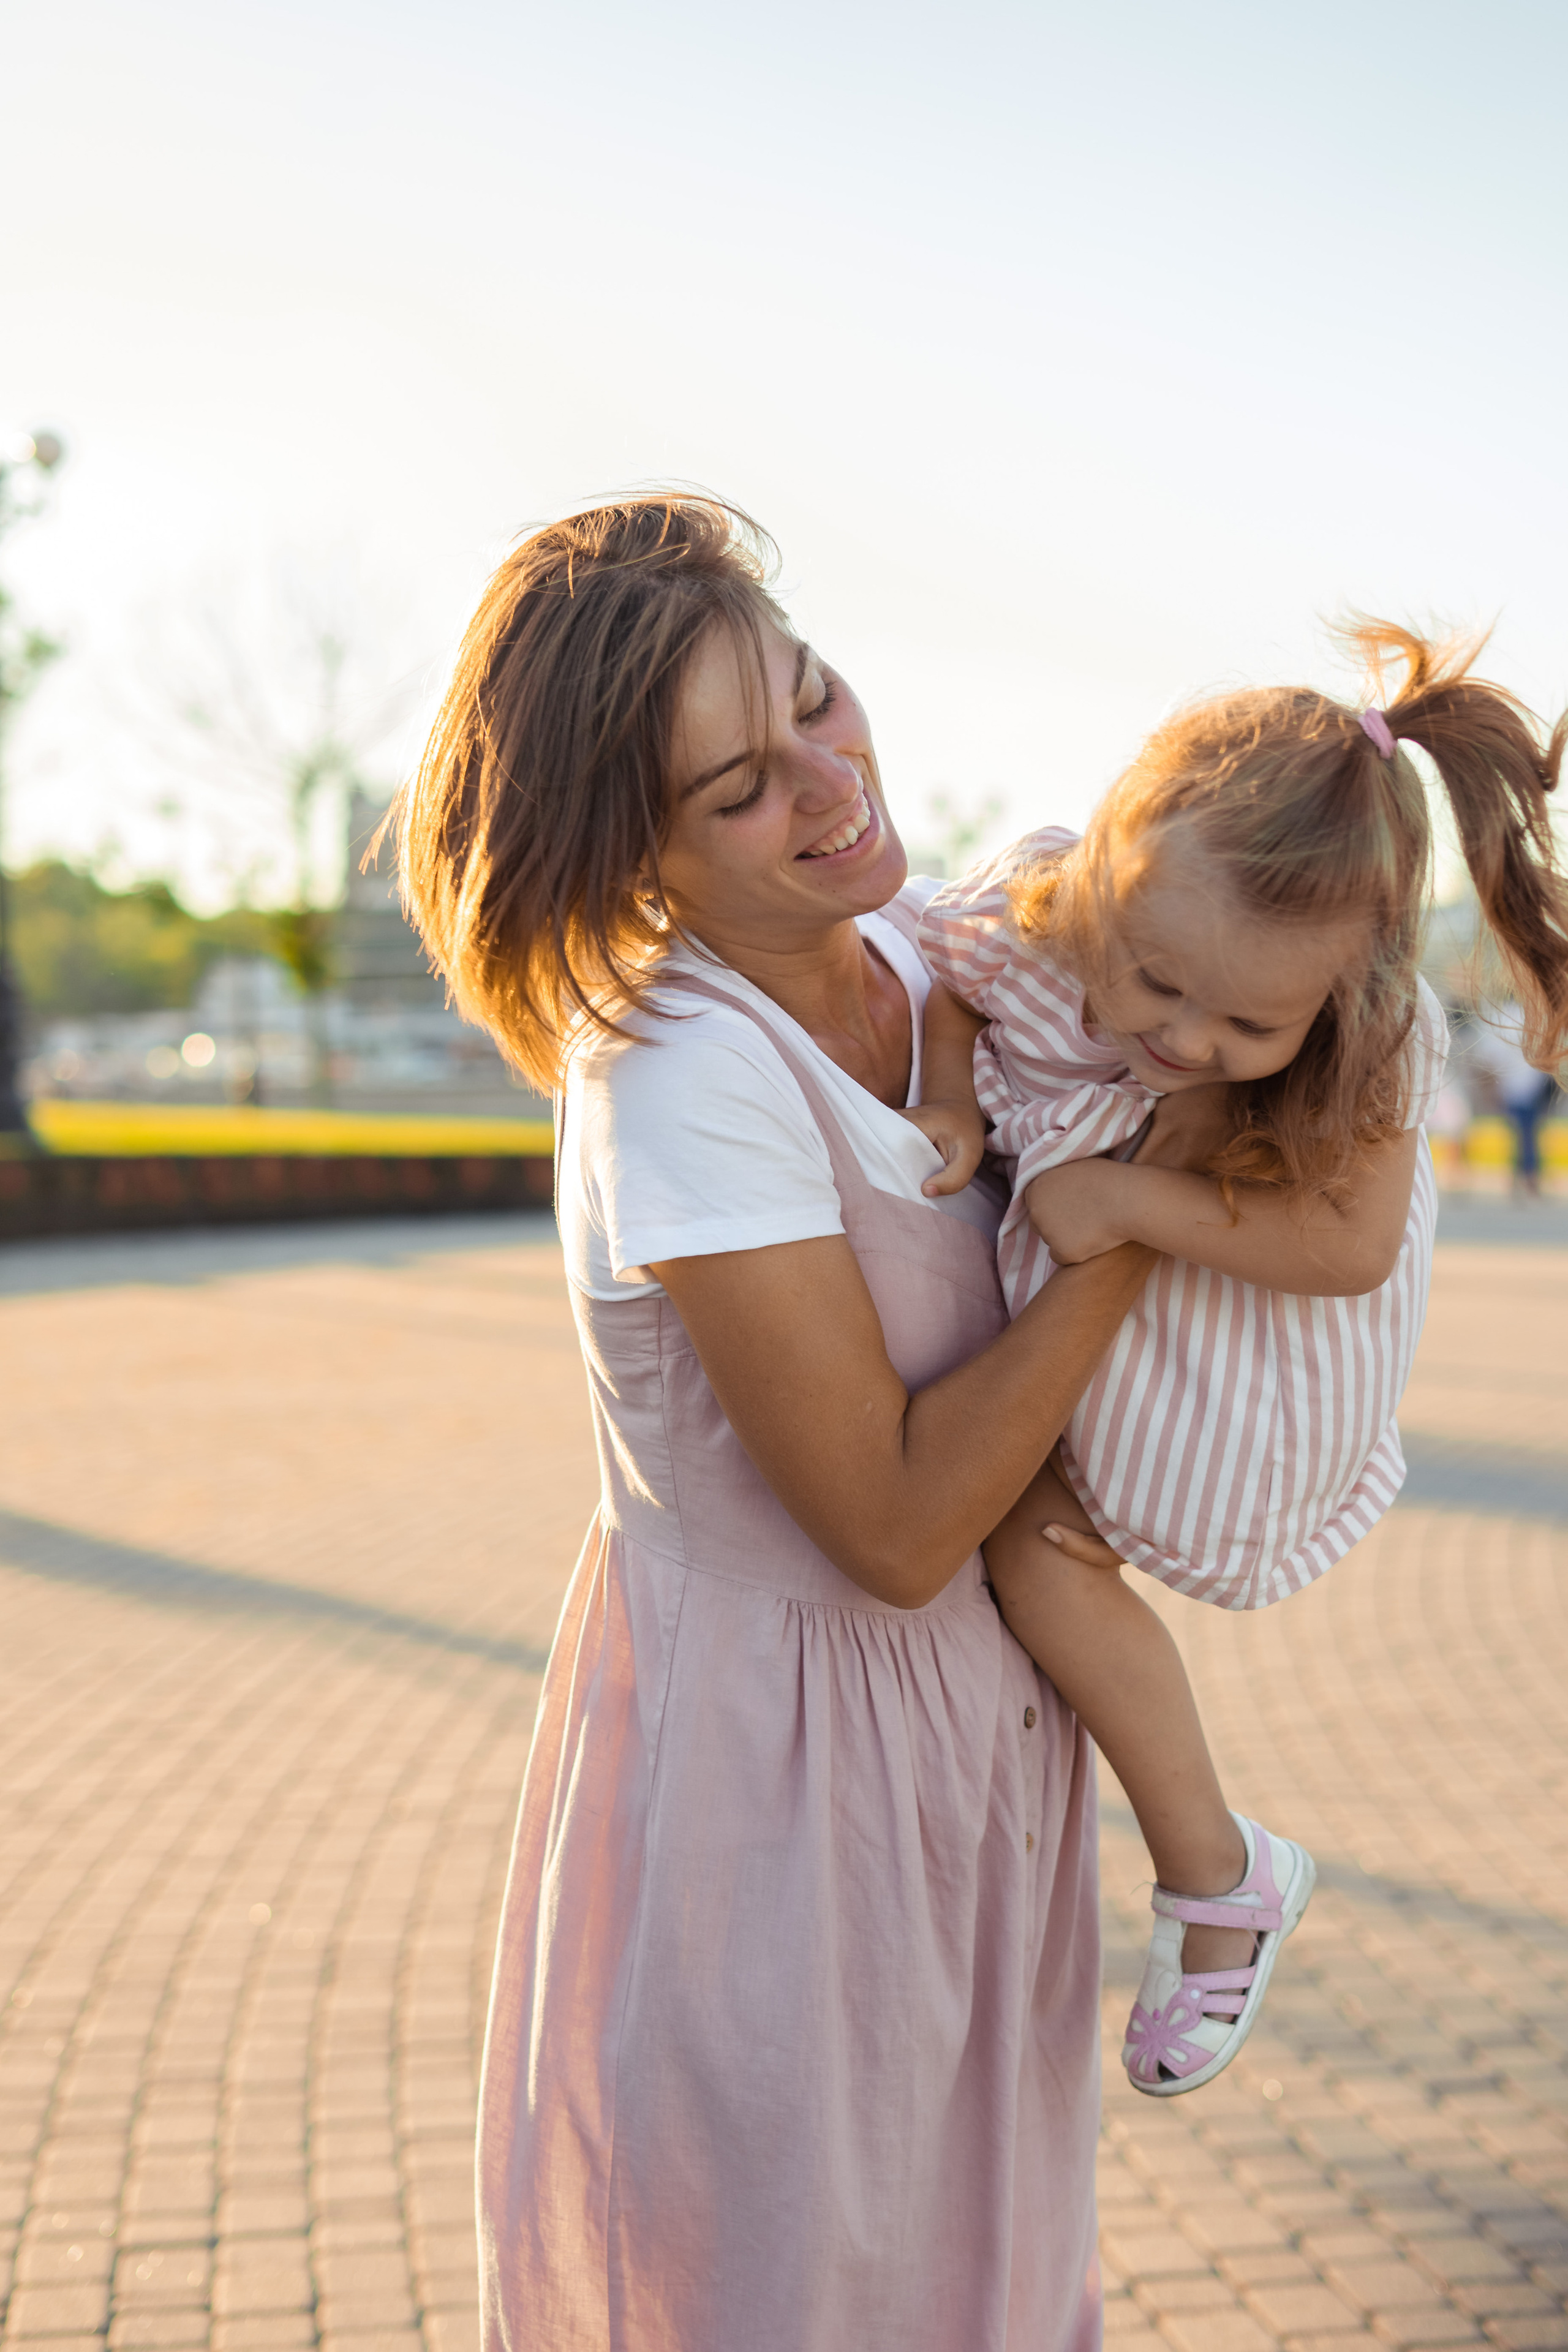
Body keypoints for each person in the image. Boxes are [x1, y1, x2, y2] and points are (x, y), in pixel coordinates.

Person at [389, 495, 1216, 2351]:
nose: (830, 784)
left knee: (986, 2280)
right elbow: (899, 1525)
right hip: (782, 1799)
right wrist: (1142, 1205)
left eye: (818, 701)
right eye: (740, 788)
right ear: (637, 859)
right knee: (792, 2292)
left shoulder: (930, 955)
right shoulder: (683, 1075)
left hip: (985, 1765)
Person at [907, 625, 1568, 2097]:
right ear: (1105, 868)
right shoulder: (1033, 902)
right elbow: (944, 969)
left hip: (1240, 1342)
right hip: (1101, 1358)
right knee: (1029, 1550)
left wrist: (1132, 1195)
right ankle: (1217, 1872)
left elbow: (1344, 1250)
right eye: (1149, 982)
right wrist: (950, 1096)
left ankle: (1220, 1876)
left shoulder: (1367, 1030)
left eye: (1245, 1022)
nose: (1182, 1042)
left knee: (1041, 1540)